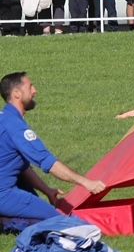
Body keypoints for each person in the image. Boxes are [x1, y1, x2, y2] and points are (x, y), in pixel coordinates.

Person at [0, 71, 106, 227]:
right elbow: (48, 162)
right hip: (3, 194)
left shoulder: (6, 118)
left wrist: (47, 191)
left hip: (7, 187)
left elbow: (22, 168)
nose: (35, 91)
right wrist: (86, 183)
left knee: (40, 211)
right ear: (16, 94)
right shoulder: (14, 126)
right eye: (30, 87)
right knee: (61, 223)